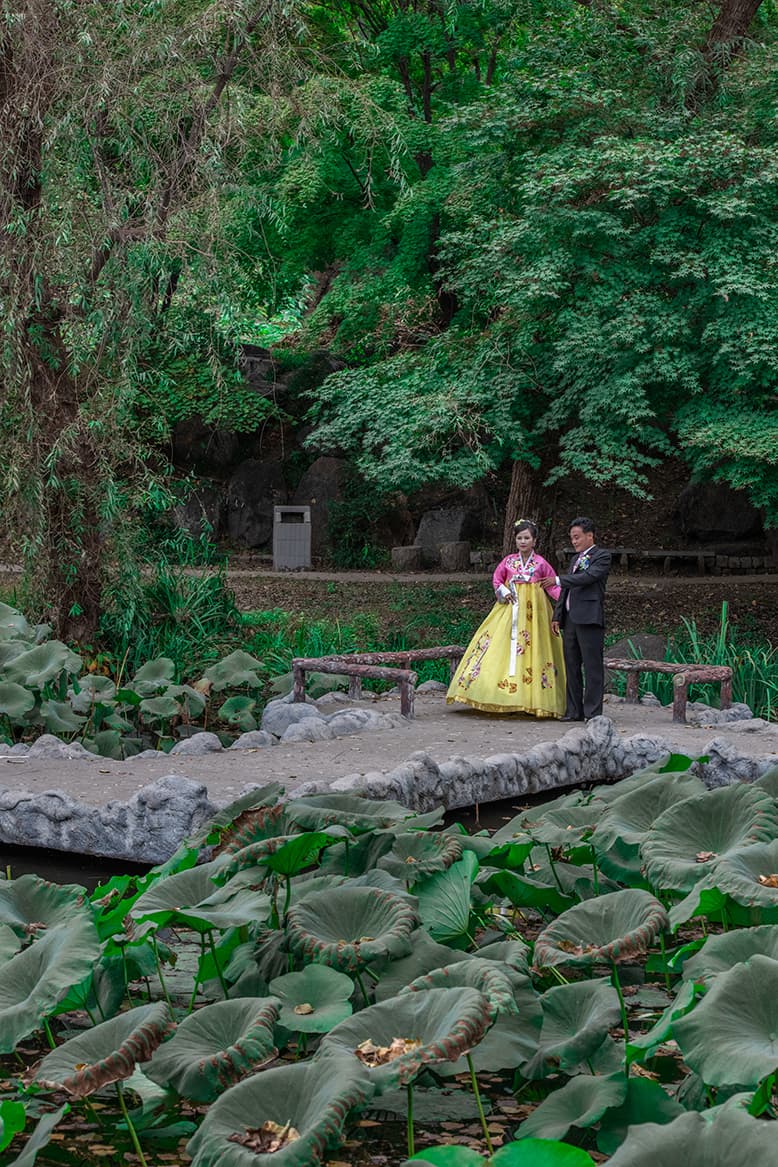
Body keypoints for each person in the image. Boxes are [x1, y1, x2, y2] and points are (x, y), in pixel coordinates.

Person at [446, 519, 566, 718]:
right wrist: (503, 590)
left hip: (534, 615)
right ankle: (502, 696)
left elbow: (552, 586)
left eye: (527, 538)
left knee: (535, 651)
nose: (523, 541)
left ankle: (531, 699)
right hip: (510, 611)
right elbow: (497, 579)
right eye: (519, 538)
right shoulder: (508, 561)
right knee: (500, 647)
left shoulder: (541, 563)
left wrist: (566, 601)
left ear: (534, 541)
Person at [543, 516, 611, 721]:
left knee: (592, 666)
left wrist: (557, 579)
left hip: (589, 618)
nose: (574, 541)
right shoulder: (575, 560)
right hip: (571, 618)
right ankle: (574, 710)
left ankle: (593, 712)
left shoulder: (602, 556)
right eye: (572, 538)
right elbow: (566, 590)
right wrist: (557, 615)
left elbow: (588, 577)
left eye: (577, 537)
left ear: (590, 536)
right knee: (571, 665)